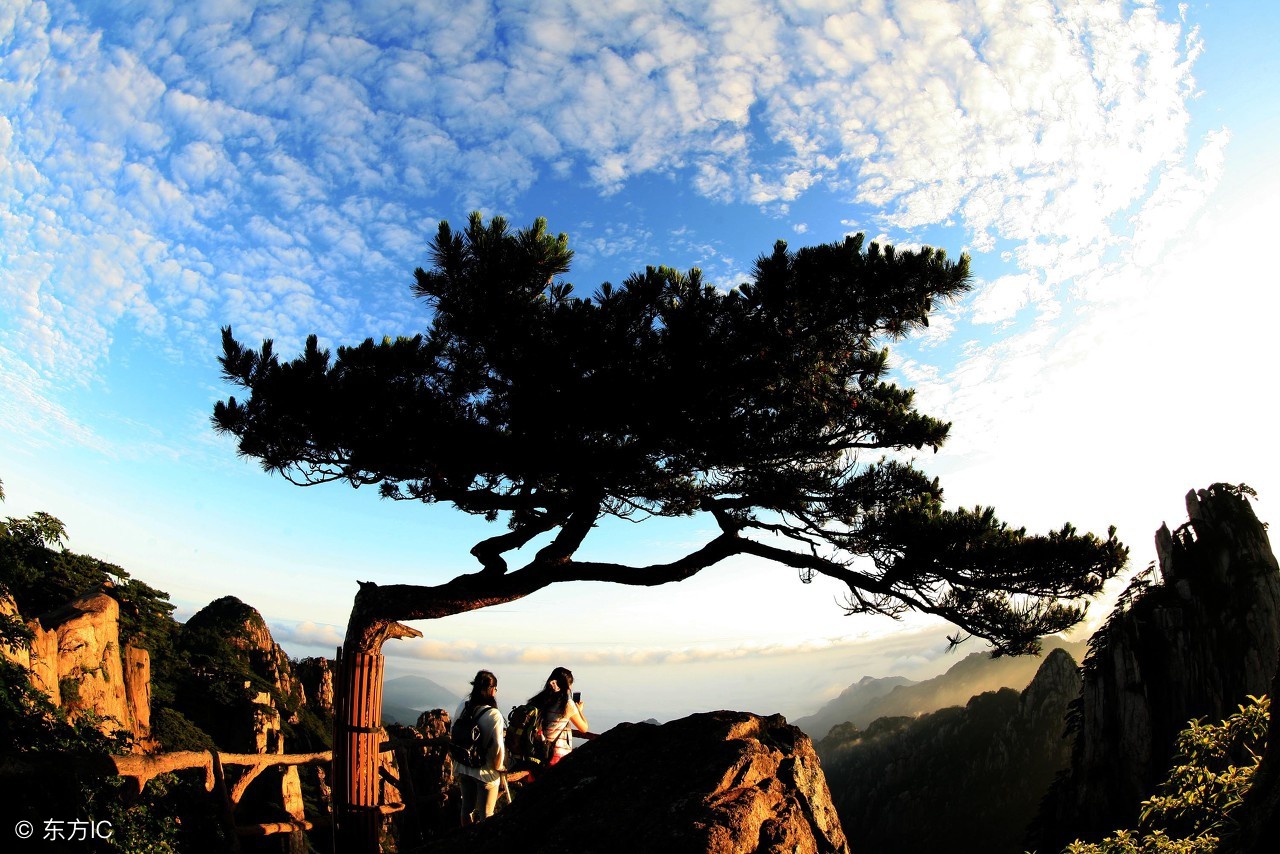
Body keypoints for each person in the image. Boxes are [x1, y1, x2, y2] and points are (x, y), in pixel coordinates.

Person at [452, 670, 506, 824]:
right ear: (491, 690)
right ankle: (482, 846)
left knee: (466, 809)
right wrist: (499, 766)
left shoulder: (463, 705)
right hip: (484, 771)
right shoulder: (494, 715)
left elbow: (453, 731)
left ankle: (466, 841)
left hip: (463, 765)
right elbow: (497, 747)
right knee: (486, 815)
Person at [527, 666, 589, 766]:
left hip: (535, 750)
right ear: (567, 686)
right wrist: (579, 710)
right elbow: (584, 728)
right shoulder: (567, 705)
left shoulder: (539, 699)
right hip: (555, 756)